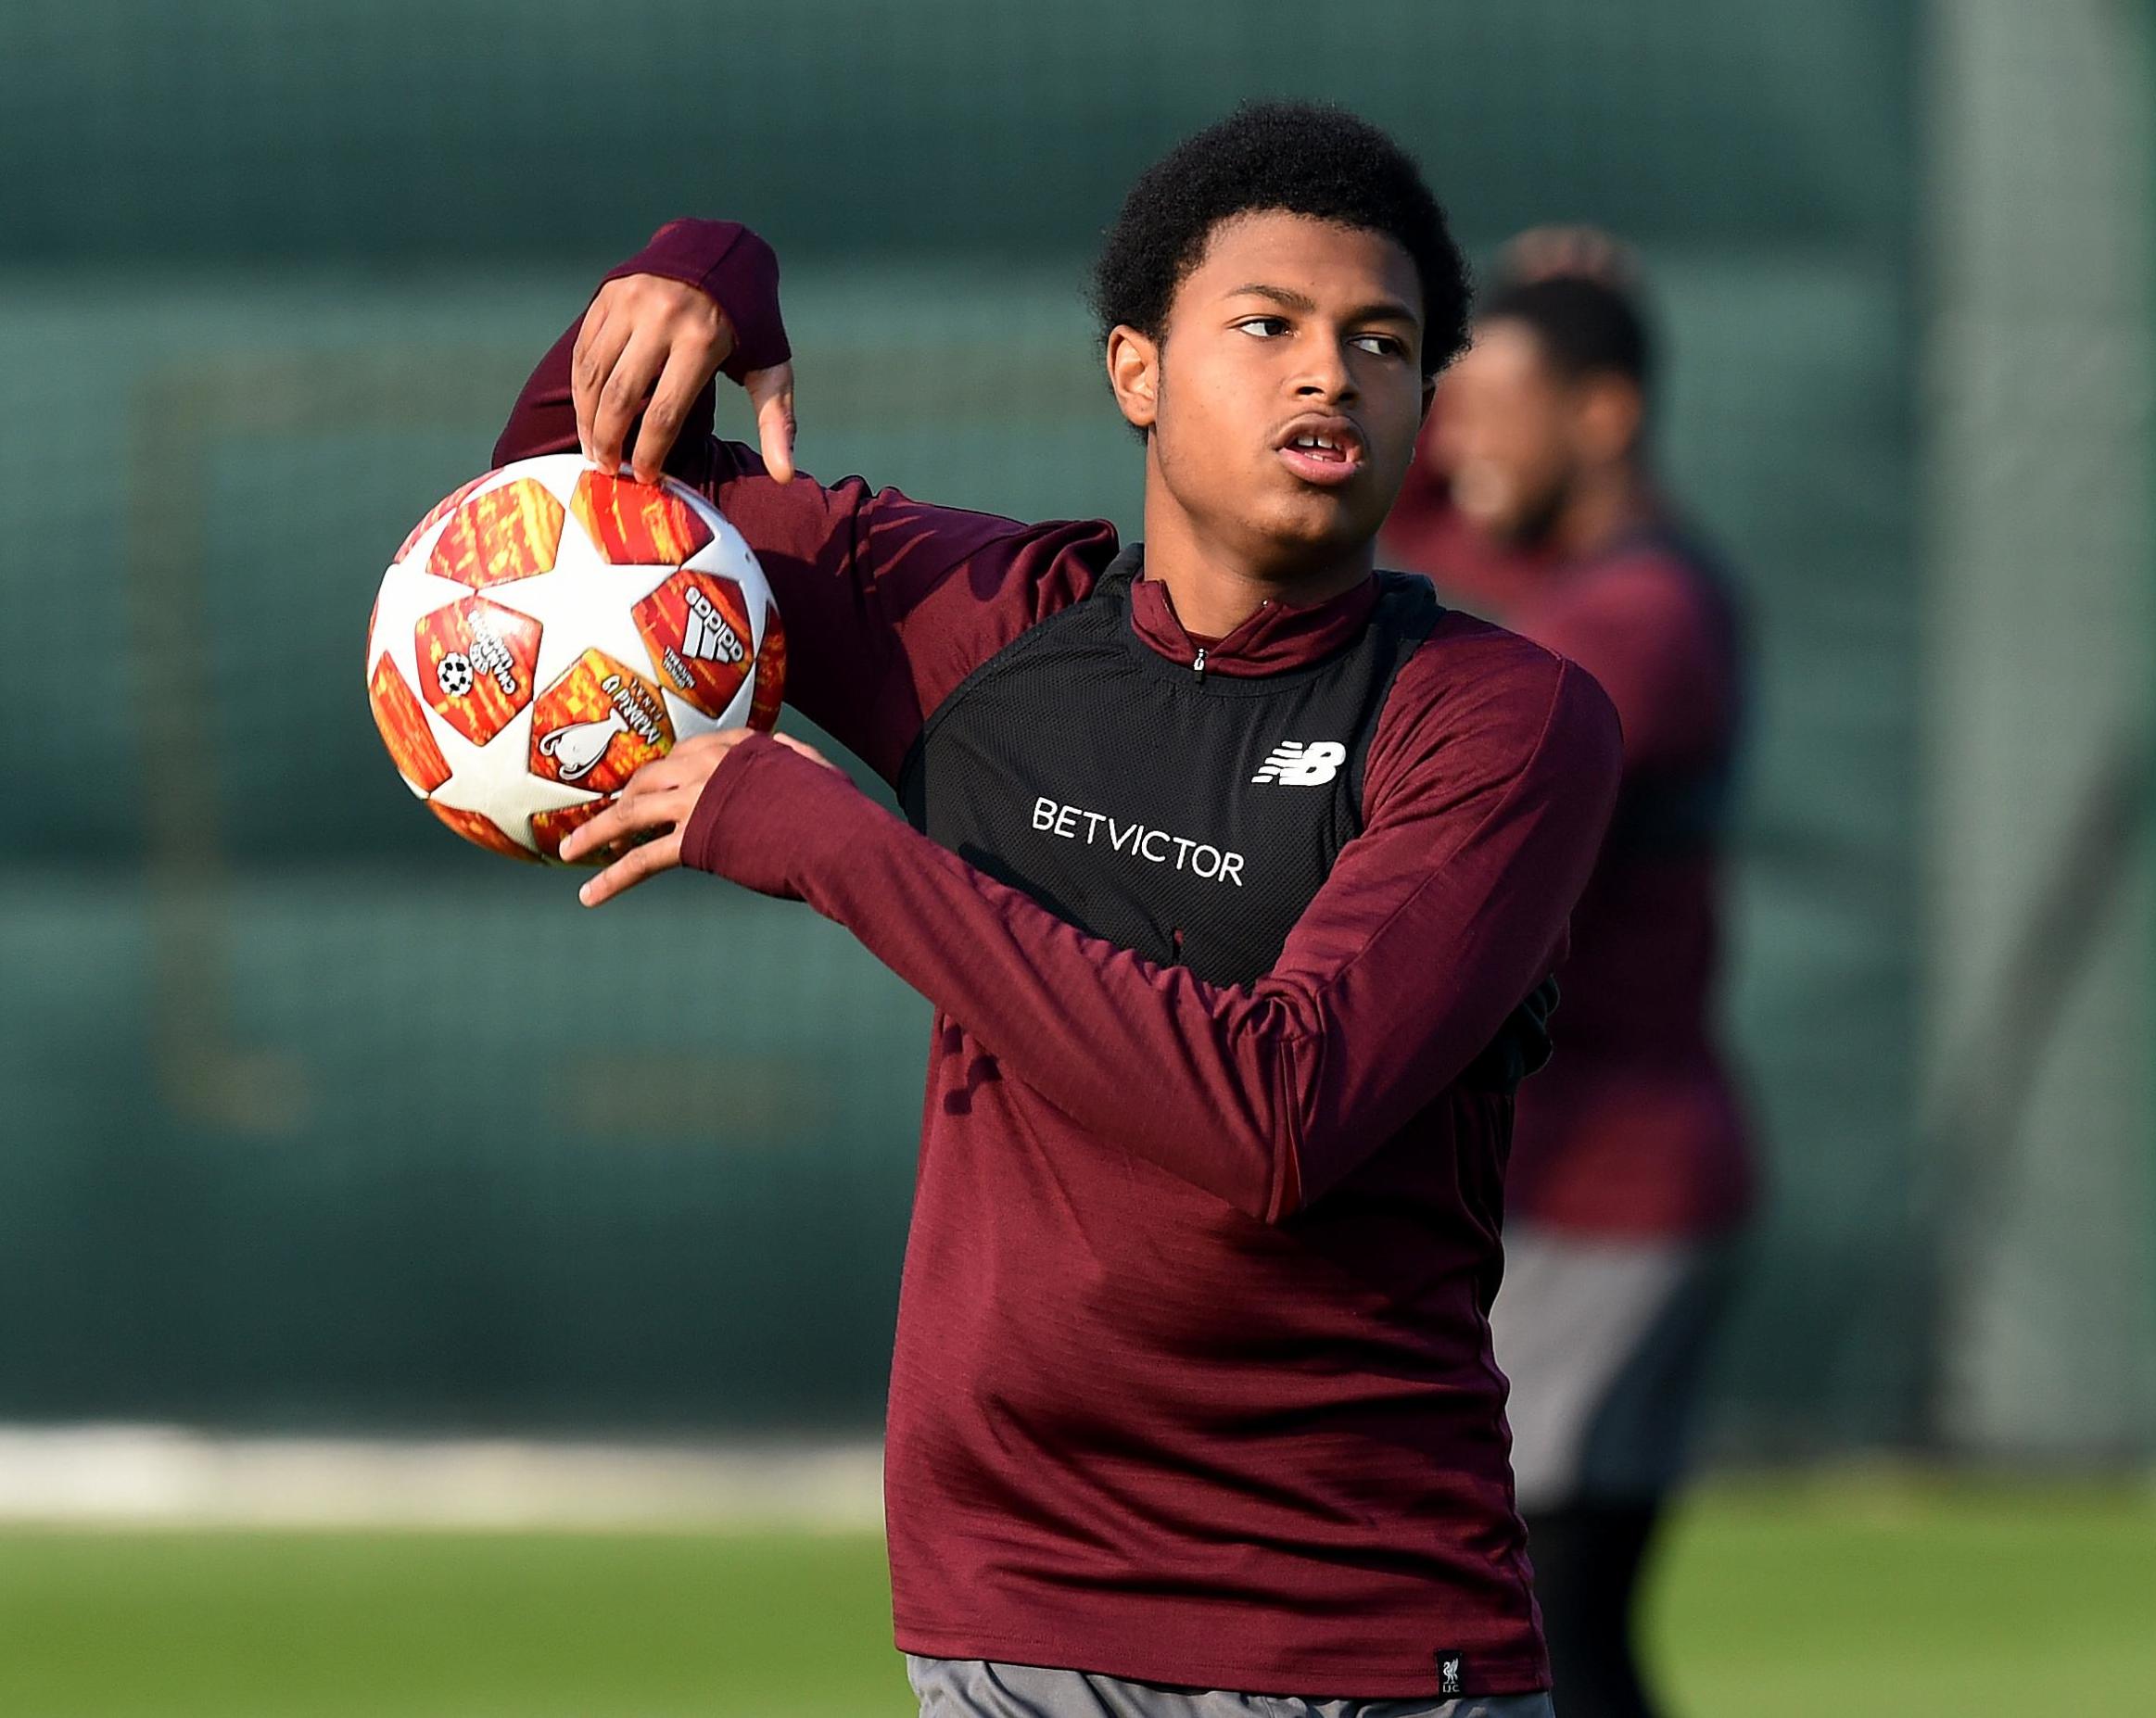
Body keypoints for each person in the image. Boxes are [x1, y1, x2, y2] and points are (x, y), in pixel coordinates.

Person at [491, 106, 1621, 1714]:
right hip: (1007, 1628)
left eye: (1382, 341)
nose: (1329, 373)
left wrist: (834, 845)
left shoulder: (1495, 719)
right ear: (1134, 373)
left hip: (1347, 1638)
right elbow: (554, 526)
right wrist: (697, 276)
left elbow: (1272, 1117)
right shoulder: (982, 628)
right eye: (1267, 326)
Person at [1381, 246, 1757, 1718]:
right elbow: (1407, 499)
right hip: (1560, 1186)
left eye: (1501, 405)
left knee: (1546, 1630)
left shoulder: (1641, 618)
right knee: (1531, 1629)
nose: (1463, 438)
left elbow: (1468, 727)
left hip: (1614, 1190)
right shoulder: (1566, 574)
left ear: (1604, 416)